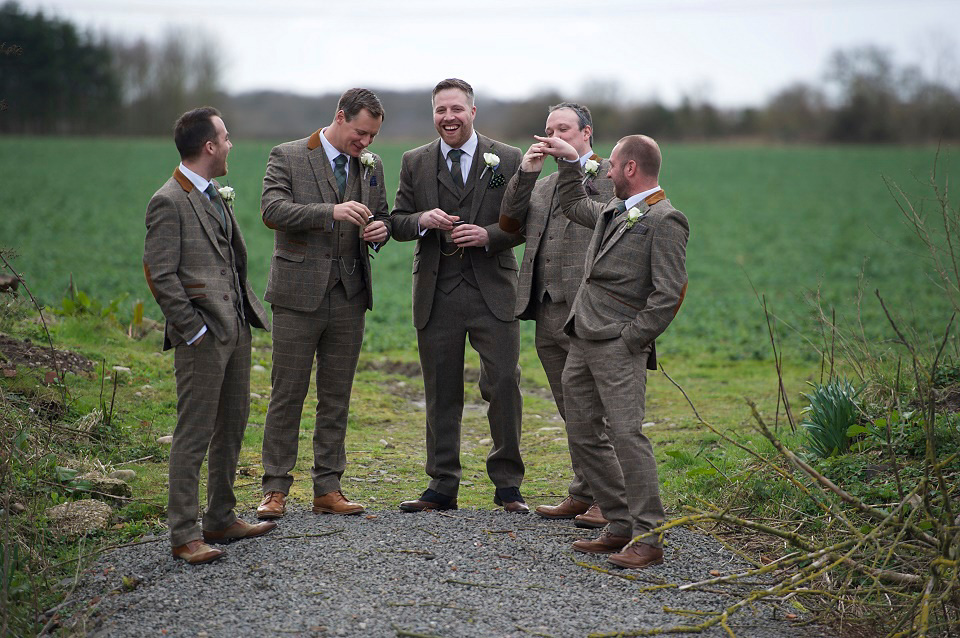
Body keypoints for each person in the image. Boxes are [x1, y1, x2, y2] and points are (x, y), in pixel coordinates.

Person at [535, 133, 688, 569]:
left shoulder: (665, 219)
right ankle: (620, 524)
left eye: (612, 164)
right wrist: (567, 165)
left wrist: (632, 339)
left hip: (620, 345)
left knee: (627, 436)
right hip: (581, 337)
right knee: (582, 431)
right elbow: (571, 206)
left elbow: (669, 292)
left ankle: (650, 537)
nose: (605, 170)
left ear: (631, 169)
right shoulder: (615, 211)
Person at [143, 106, 275, 565]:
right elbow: (160, 275)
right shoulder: (168, 200)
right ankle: (184, 534)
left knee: (233, 425)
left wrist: (238, 320)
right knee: (194, 432)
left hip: (235, 327)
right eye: (226, 136)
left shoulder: (213, 192)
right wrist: (194, 329)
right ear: (209, 146)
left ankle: (220, 517)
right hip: (202, 335)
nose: (231, 143)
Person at [390, 78, 527, 513]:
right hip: (437, 292)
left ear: (473, 112)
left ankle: (508, 485)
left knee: (504, 384)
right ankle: (442, 485)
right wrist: (423, 221)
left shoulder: (507, 158)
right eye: (440, 110)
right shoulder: (414, 161)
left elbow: (523, 223)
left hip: (495, 292)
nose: (447, 117)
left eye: (456, 109)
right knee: (440, 389)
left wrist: (486, 235)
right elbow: (395, 221)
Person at [256, 89, 390, 520]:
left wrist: (380, 231)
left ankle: (328, 488)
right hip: (297, 296)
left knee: (337, 397)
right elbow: (272, 209)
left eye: (372, 136)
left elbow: (382, 213)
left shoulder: (371, 166)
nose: (366, 144)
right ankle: (274, 488)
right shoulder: (289, 154)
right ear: (339, 117)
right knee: (287, 393)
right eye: (360, 133)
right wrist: (330, 211)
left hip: (349, 296)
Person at [499, 102, 614, 529]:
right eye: (547, 130)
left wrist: (570, 167)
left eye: (563, 128)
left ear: (586, 133)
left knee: (596, 410)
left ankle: (609, 499)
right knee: (570, 409)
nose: (552, 136)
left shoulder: (611, 176)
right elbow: (509, 221)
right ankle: (583, 492)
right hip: (546, 309)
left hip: (588, 311)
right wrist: (526, 173)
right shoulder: (544, 184)